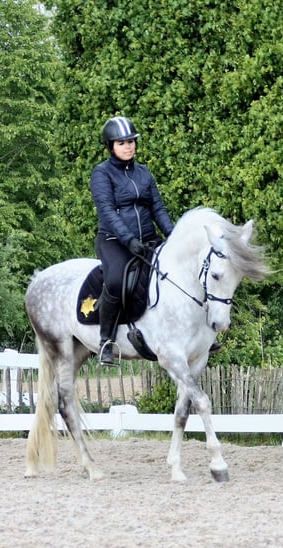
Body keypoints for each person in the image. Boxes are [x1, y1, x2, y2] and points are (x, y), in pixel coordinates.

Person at [90, 116, 175, 365]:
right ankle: (106, 340)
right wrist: (128, 240)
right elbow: (106, 210)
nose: (128, 147)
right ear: (111, 146)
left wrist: (174, 235)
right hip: (114, 240)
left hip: (147, 239)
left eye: (131, 142)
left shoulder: (144, 173)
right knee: (115, 282)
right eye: (122, 143)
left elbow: (157, 208)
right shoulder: (101, 173)